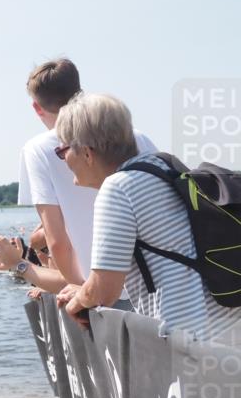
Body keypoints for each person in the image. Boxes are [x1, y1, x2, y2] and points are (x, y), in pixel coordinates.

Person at [51, 93, 239, 342]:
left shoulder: (118, 188)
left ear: (87, 153)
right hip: (230, 324)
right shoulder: (162, 166)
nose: (63, 160)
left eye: (62, 150)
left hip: (195, 342)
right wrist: (86, 290)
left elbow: (105, 290)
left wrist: (77, 302)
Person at [12, 59, 156, 291]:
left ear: (37, 108)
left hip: (98, 288)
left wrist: (79, 292)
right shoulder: (136, 136)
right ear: (80, 92)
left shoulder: (37, 149)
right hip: (155, 281)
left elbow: (56, 240)